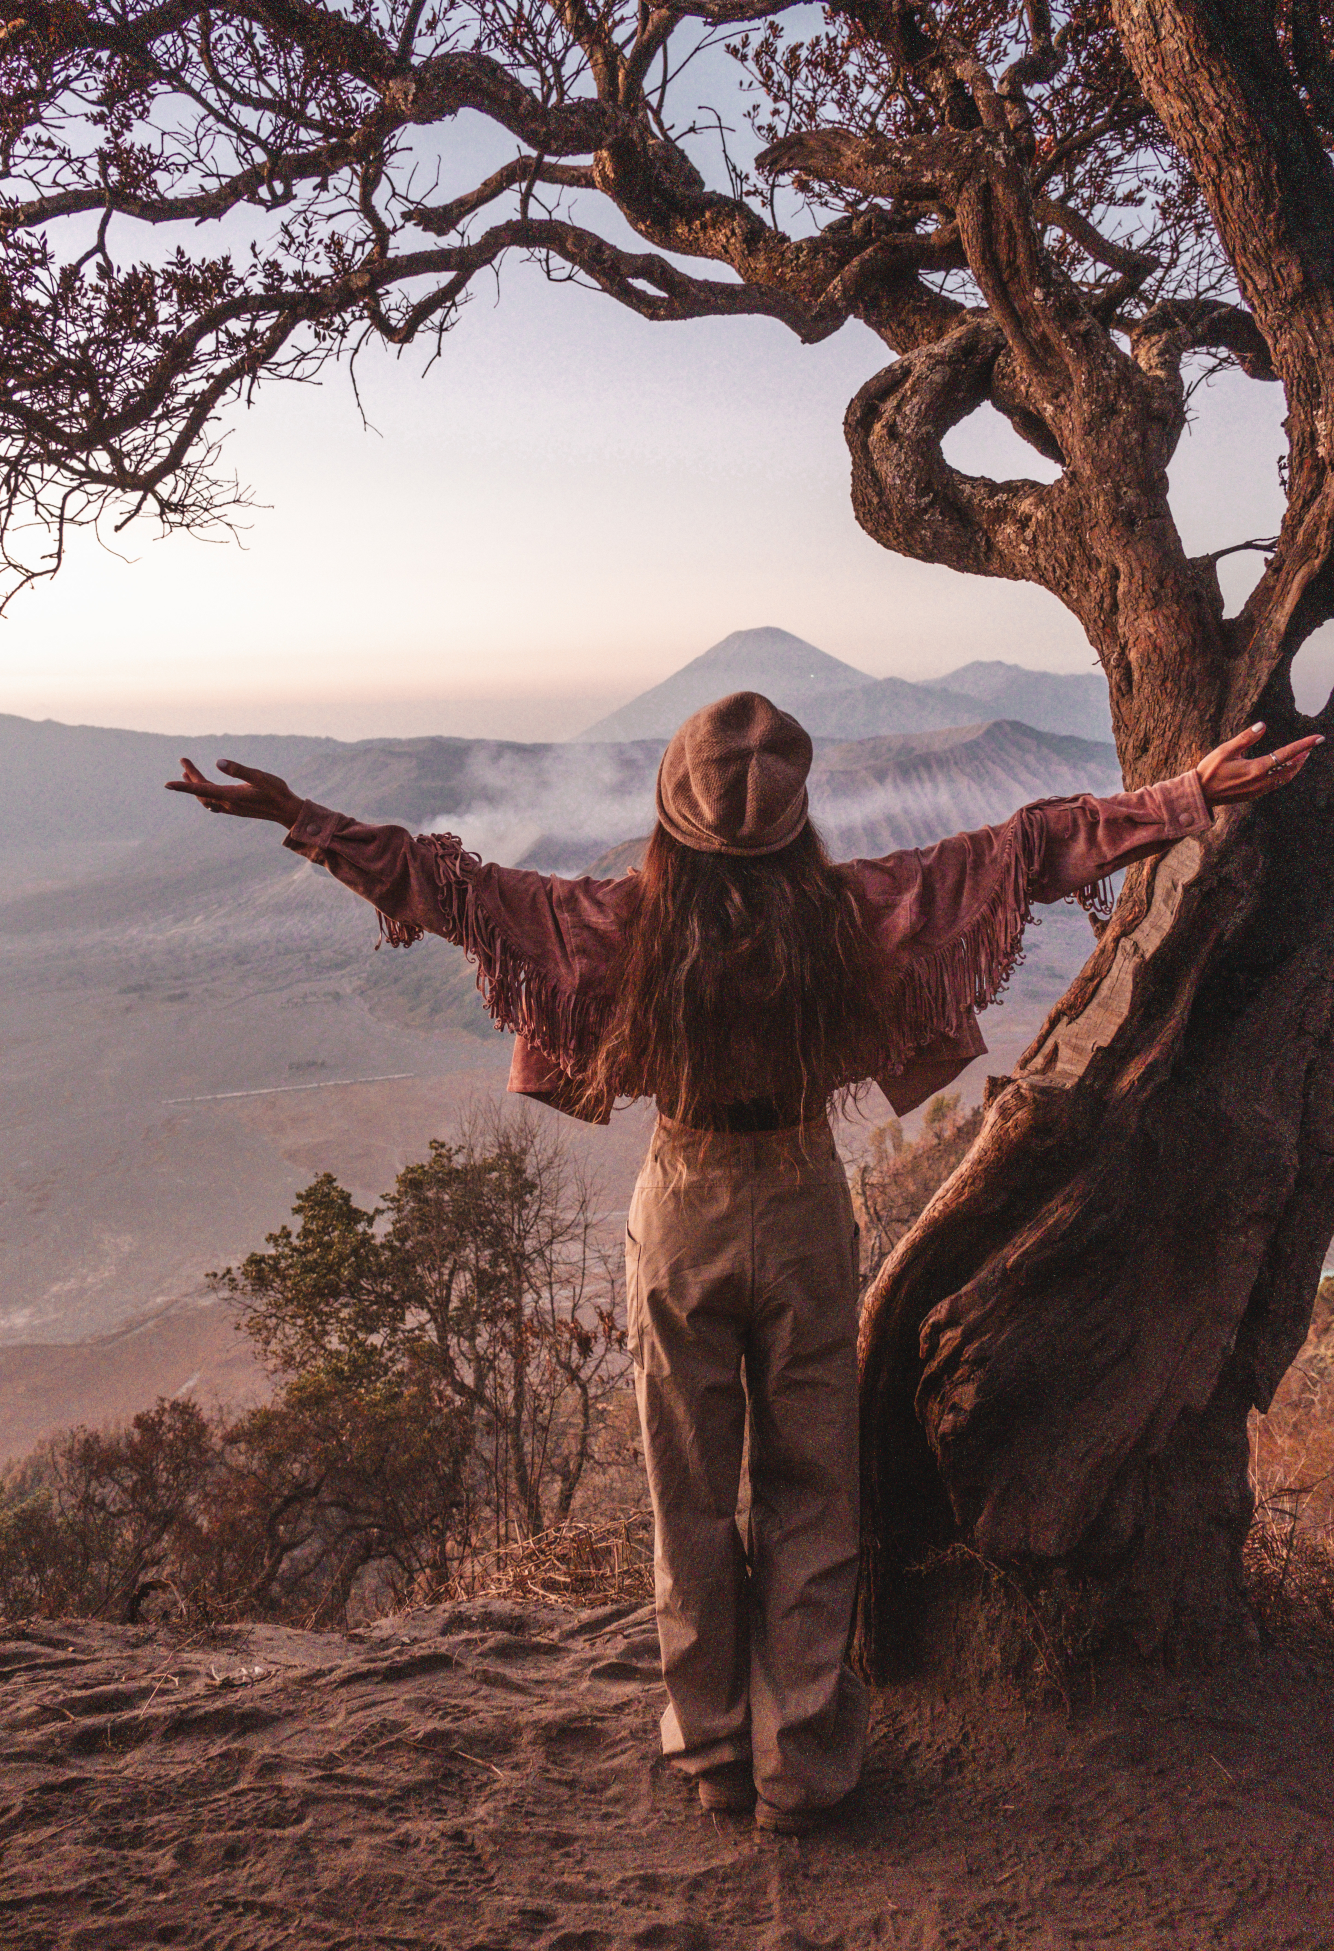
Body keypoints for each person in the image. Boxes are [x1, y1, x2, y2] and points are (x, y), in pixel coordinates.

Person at [167, 694, 1319, 1832]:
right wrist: (1183, 797)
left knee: (688, 1488)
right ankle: (802, 1766)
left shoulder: (619, 921)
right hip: (801, 1200)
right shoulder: (846, 911)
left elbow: (447, 885)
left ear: (672, 810)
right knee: (812, 1488)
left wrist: (300, 817)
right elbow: (1018, 851)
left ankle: (713, 1750)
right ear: (792, 818)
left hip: (683, 1205)